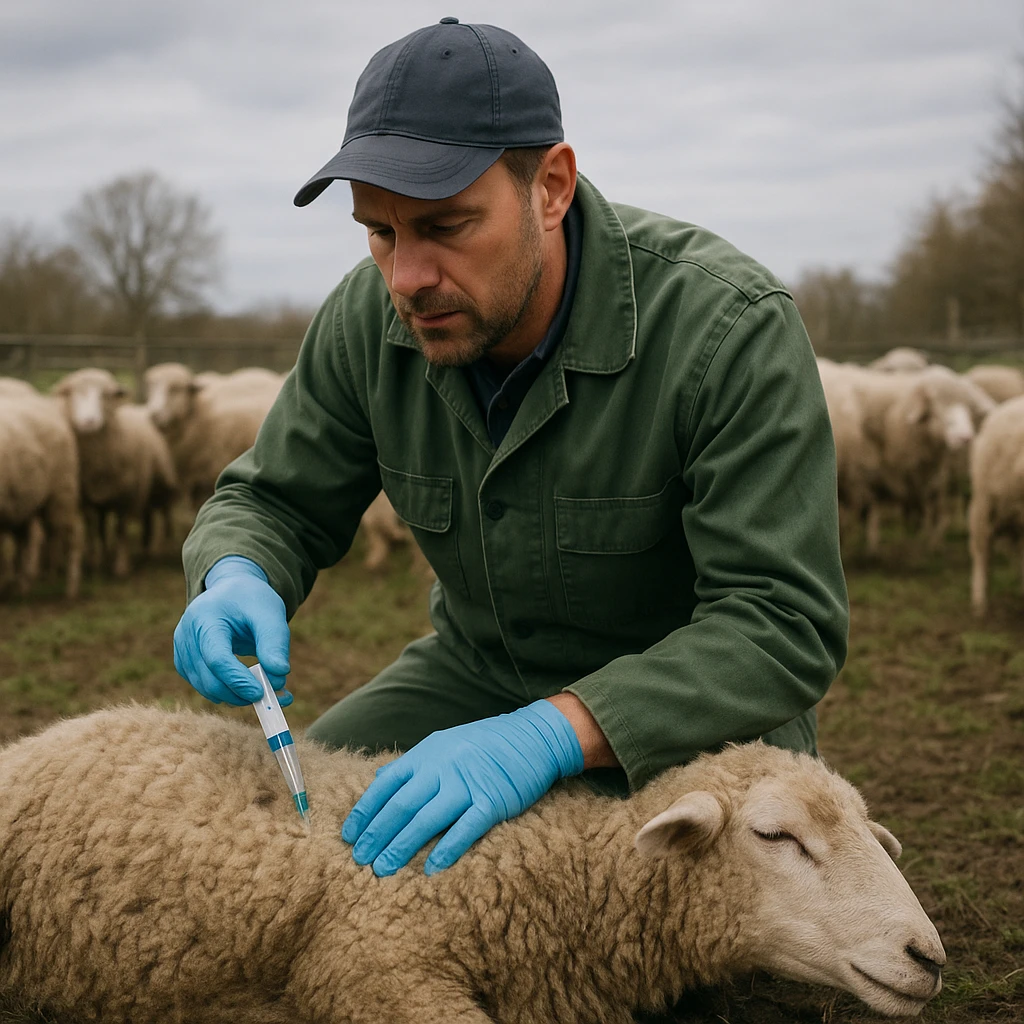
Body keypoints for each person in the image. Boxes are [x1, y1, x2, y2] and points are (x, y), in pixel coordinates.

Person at [174, 18, 849, 880]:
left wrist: (550, 733)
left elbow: (780, 624)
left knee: (627, 941)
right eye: (379, 232)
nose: (406, 277)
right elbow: (273, 500)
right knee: (280, 841)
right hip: (475, 680)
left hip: (693, 716)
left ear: (552, 187)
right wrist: (235, 571)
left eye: (446, 225)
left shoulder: (728, 331)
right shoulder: (366, 320)